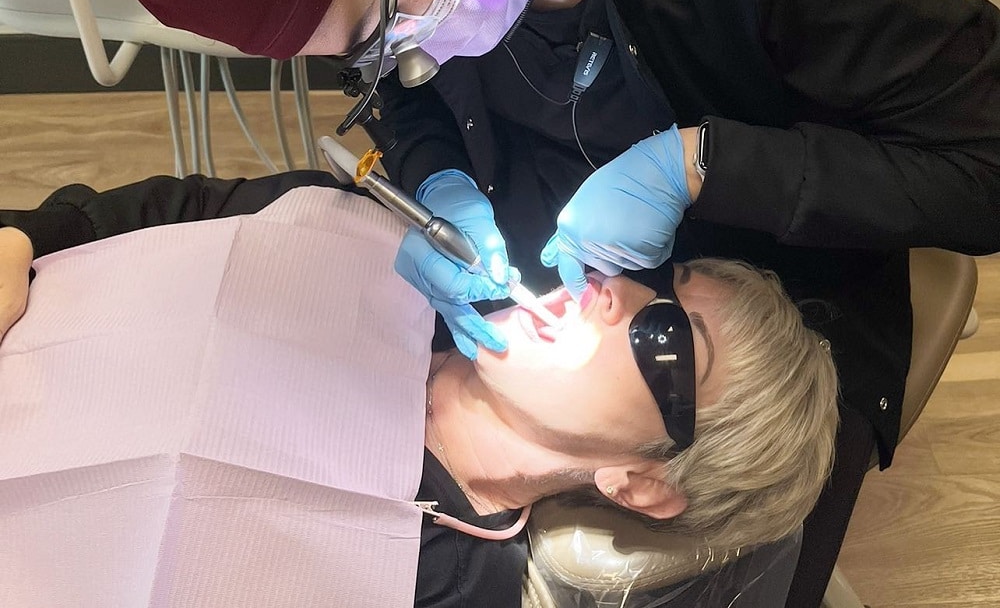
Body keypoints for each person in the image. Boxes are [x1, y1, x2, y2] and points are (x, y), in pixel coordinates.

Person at [103, 0, 1000, 603]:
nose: (410, 58)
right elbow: (410, 100)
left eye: (388, 15)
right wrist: (436, 175)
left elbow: (984, 169)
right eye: (366, 51)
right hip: (528, 289)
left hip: (761, 336)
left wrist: (700, 164)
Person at [1, 177, 837, 608]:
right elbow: (174, 209)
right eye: (660, 283)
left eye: (669, 339)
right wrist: (21, 240)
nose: (618, 293)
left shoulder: (438, 586)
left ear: (645, 481)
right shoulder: (377, 241)